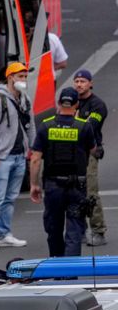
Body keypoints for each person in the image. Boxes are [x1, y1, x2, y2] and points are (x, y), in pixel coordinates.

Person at [30, 86, 100, 257]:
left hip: (53, 186)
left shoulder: (46, 126)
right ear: (77, 104)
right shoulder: (84, 127)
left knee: (53, 228)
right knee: (75, 230)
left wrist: (34, 184)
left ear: (58, 103)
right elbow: (93, 150)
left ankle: (57, 267)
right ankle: (71, 274)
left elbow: (35, 159)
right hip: (77, 186)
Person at [0, 62, 32, 252]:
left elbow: (30, 124)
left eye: (25, 76)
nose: (23, 80)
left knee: (11, 198)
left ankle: (4, 234)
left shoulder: (25, 99)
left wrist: (32, 148)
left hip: (19, 155)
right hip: (2, 157)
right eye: (20, 76)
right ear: (10, 78)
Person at [74, 69, 108, 246]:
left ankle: (98, 231)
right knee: (74, 192)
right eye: (77, 81)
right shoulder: (72, 101)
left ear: (90, 83)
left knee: (90, 192)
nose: (79, 84)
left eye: (83, 81)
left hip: (90, 153)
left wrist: (73, 119)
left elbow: (90, 126)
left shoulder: (97, 105)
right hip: (73, 154)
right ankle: (79, 229)